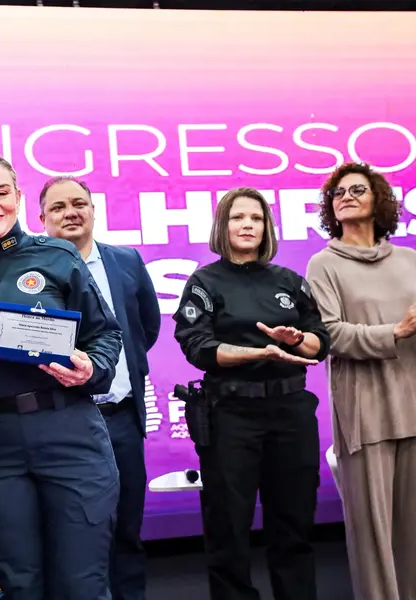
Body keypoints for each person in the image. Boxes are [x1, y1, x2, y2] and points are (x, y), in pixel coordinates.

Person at [0, 152, 123, 600]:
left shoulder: (58, 255)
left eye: (1, 192)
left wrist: (91, 367)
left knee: (81, 585)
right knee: (20, 585)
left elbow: (105, 334)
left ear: (19, 198)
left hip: (70, 433)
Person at [172, 187, 330, 600]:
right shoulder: (204, 281)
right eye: (238, 217)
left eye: (256, 219)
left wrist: (293, 340)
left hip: (290, 411)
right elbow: (197, 346)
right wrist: (258, 352)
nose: (248, 225)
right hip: (230, 414)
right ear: (223, 225)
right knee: (229, 530)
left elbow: (320, 343)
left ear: (267, 228)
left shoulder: (289, 281)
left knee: (294, 527)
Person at [39, 175, 160, 600]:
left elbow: (146, 327)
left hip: (121, 419)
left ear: (93, 210)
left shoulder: (126, 261)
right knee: (71, 539)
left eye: (79, 203)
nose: (71, 212)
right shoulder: (31, 266)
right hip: (63, 422)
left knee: (127, 531)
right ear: (41, 218)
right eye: (58, 207)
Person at [305, 162, 416, 600]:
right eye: (338, 193)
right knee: (373, 535)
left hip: (413, 401)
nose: (347, 196)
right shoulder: (323, 264)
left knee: (412, 529)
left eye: (358, 189)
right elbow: (330, 334)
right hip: (364, 412)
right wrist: (395, 332)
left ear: (379, 200)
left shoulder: (410, 259)